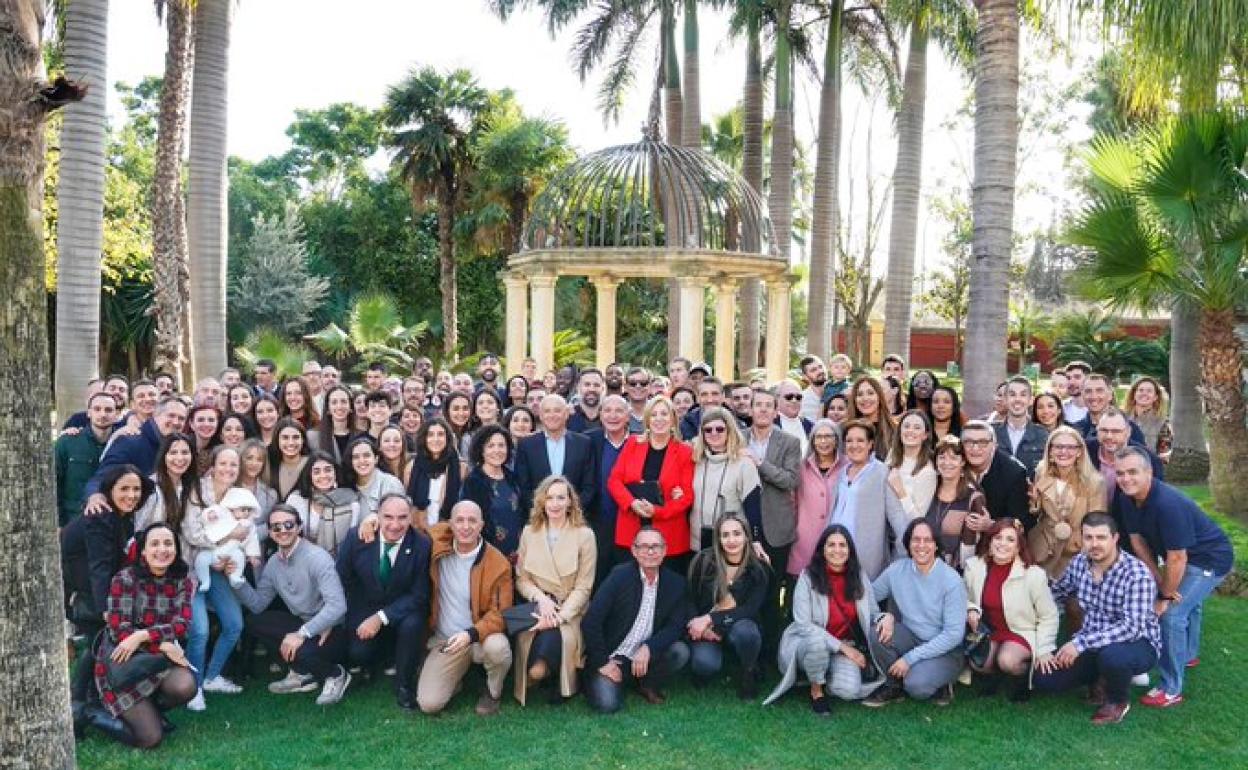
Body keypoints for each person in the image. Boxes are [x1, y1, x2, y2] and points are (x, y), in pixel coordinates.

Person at [1116, 447, 1232, 708]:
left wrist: (1165, 595)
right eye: (1121, 473)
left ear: (1149, 472)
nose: (1126, 479)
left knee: (1172, 615)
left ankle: (1170, 688)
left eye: (1133, 472)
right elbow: (1137, 540)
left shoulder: (1168, 504)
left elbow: (1178, 559)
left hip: (1209, 560)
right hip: (1182, 557)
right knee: (1190, 605)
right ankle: (1188, 654)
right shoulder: (1127, 497)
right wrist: (1158, 578)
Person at [1032, 513, 1162, 725]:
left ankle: (1117, 700)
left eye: (1101, 537)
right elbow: (1058, 592)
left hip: (1137, 643)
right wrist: (1031, 589)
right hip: (1092, 641)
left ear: (1115, 538)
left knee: (1113, 657)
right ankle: (1098, 678)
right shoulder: (1079, 563)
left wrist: (1079, 643)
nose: (1094, 544)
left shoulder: (1137, 574)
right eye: (1088, 537)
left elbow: (1132, 628)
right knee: (1045, 679)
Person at [78, 523, 197, 748]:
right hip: (122, 664)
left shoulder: (182, 580)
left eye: (168, 543)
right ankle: (92, 712)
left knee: (185, 686)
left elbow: (182, 625)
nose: (162, 549)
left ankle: (150, 710)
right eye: (155, 544)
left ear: (176, 549)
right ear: (143, 550)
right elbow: (118, 629)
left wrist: (142, 635)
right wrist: (162, 644)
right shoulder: (125, 579)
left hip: (154, 660)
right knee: (150, 739)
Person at [232, 504, 353, 706]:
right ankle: (302, 674)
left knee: (303, 651)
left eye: (288, 524)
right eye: (276, 527)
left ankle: (336, 675)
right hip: (305, 624)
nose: (283, 530)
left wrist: (302, 633)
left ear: (299, 527)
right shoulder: (273, 563)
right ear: (270, 532)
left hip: (334, 628)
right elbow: (258, 605)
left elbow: (338, 606)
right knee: (254, 622)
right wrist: (235, 579)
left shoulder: (317, 557)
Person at [764, 525, 885, 714]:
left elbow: (873, 614)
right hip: (808, 643)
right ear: (822, 549)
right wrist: (845, 649)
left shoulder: (859, 576)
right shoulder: (807, 577)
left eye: (842, 545)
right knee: (817, 643)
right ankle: (816, 691)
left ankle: (822, 673)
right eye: (831, 545)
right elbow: (804, 625)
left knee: (848, 690)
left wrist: (887, 618)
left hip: (842, 647)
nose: (837, 550)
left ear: (850, 550)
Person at [61, 465, 154, 708]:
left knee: (98, 643)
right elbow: (99, 566)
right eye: (124, 489)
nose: (131, 495)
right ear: (109, 491)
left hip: (92, 586)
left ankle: (90, 699)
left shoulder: (120, 515)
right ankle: (78, 703)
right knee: (97, 641)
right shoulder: (101, 516)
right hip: (80, 590)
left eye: (136, 489)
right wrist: (106, 608)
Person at [416, 501, 514, 716]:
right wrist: (371, 520)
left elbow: (500, 614)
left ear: (481, 525)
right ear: (449, 523)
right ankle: (456, 678)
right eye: (459, 520)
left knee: (498, 648)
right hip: (447, 640)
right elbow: (408, 526)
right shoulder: (437, 543)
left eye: (472, 521)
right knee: (429, 703)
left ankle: (493, 691)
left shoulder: (498, 563)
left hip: (480, 638)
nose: (465, 526)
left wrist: (470, 634)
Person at [335, 493, 431, 711]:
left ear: (411, 517)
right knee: (358, 653)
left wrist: (380, 617)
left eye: (402, 517)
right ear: (377, 516)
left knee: (413, 624)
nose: (395, 525)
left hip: (402, 608)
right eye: (388, 517)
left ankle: (404, 684)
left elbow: (419, 595)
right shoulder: (356, 538)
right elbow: (343, 576)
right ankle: (376, 659)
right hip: (366, 604)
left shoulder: (421, 545)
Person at [582, 529, 691, 714]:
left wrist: (649, 647)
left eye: (656, 547)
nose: (650, 552)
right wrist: (603, 663)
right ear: (634, 551)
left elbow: (675, 626)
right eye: (644, 547)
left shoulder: (676, 583)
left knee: (680, 652)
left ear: (665, 551)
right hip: (613, 656)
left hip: (646, 657)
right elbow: (591, 621)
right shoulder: (619, 576)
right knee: (607, 705)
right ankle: (605, 680)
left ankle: (646, 683)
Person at [512, 477, 597, 705]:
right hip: (537, 607)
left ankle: (547, 676)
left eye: (561, 497)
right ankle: (542, 675)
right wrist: (541, 600)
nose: (555, 503)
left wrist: (558, 617)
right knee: (529, 650)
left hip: (569, 610)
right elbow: (522, 578)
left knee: (538, 668)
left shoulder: (585, 535)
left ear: (571, 502)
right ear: (542, 501)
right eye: (550, 497)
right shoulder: (529, 532)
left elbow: (584, 586)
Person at [863, 519, 966, 707]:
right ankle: (893, 685)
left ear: (936, 545)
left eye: (927, 540)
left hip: (947, 651)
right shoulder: (896, 571)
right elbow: (866, 599)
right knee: (875, 633)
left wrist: (909, 659)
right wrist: (884, 616)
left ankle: (941, 682)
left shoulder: (951, 581)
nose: (921, 545)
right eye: (916, 539)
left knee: (916, 686)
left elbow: (953, 635)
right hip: (912, 638)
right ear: (908, 544)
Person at [180, 446, 248, 707]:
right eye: (224, 463)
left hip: (217, 568)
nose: (229, 469)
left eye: (234, 465)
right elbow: (192, 533)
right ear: (213, 465)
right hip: (191, 568)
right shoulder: (198, 491)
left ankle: (212, 676)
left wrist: (230, 557)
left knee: (234, 624)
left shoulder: (236, 496)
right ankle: (193, 688)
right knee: (200, 630)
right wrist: (229, 537)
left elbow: (246, 531)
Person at [963, 518, 1059, 701]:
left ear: (1018, 548)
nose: (1002, 544)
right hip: (988, 631)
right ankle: (995, 675)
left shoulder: (1033, 575)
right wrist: (971, 609)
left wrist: (1044, 649)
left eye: (1010, 539)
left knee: (1007, 660)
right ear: (990, 542)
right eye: (998, 537)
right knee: (979, 664)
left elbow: (1049, 616)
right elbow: (962, 598)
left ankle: (1024, 677)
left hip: (1020, 631)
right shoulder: (974, 567)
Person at [684, 513, 768, 698]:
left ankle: (748, 671)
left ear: (747, 536)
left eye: (737, 534)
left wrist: (709, 618)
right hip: (707, 629)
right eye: (725, 535)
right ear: (718, 539)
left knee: (748, 632)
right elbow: (688, 598)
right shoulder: (703, 561)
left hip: (738, 623)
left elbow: (749, 610)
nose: (732, 540)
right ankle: (706, 668)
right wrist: (700, 626)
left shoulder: (758, 568)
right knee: (705, 664)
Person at [742, 388, 801, 647]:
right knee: (745, 589)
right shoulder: (738, 438)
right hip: (743, 524)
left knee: (772, 588)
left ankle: (772, 648)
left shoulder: (789, 442)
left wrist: (759, 464)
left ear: (776, 411)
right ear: (750, 410)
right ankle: (748, 647)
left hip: (777, 527)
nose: (763, 409)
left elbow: (791, 480)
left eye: (769, 405)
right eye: (758, 405)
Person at [608, 395, 696, 568]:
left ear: (673, 419)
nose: (659, 419)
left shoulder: (685, 451)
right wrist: (631, 503)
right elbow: (614, 481)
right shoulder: (633, 443)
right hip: (631, 528)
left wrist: (656, 511)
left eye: (664, 414)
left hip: (669, 533)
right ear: (647, 420)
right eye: (654, 415)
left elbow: (687, 496)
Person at [829, 420, 909, 580]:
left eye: (860, 440)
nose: (854, 445)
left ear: (870, 444)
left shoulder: (882, 473)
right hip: (835, 553)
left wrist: (900, 560)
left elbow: (898, 519)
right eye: (849, 441)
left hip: (865, 558)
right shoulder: (841, 473)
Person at [83, 396, 188, 515]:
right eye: (171, 416)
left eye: (181, 418)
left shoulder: (180, 447)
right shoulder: (131, 442)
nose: (176, 422)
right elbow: (104, 475)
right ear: (156, 415)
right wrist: (95, 495)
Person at [1028, 427, 1106, 580]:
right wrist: (1035, 503)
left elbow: (1097, 524)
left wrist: (1091, 560)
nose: (1064, 452)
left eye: (1071, 447)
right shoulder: (1040, 473)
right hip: (1044, 549)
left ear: (1079, 452)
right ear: (1050, 451)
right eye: (1058, 446)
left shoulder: (1095, 482)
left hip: (1076, 553)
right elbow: (1036, 512)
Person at [687, 406, 762, 561]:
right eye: (708, 430)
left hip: (730, 543)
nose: (714, 433)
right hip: (696, 543)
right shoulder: (695, 460)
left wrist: (756, 541)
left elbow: (753, 507)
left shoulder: (744, 463)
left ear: (730, 430)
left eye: (720, 429)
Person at [514, 394, 597, 516]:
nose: (552, 415)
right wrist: (541, 512)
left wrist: (571, 512)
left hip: (575, 519)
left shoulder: (583, 443)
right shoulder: (526, 445)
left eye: (557, 410)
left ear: (566, 414)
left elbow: (589, 486)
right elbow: (523, 486)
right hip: (538, 519)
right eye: (547, 411)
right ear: (541, 416)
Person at [790, 419, 845, 577]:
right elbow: (793, 503)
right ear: (812, 441)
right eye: (818, 437)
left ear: (837, 440)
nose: (823, 441)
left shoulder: (847, 466)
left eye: (829, 436)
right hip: (804, 541)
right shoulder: (801, 468)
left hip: (837, 541)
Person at [587, 395, 633, 580]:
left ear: (628, 416)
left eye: (619, 411)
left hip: (631, 522)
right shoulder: (589, 440)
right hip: (598, 523)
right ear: (600, 414)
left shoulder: (639, 442)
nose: (613, 416)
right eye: (607, 410)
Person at [460, 424, 523, 558]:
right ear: (481, 450)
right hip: (487, 557)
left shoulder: (514, 478)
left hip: (518, 555)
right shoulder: (473, 482)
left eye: (501, 445)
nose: (497, 450)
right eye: (490, 446)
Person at [56, 391, 118, 526]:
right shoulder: (67, 443)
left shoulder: (122, 444)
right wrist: (59, 523)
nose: (103, 414)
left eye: (108, 410)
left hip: (114, 522)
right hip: (74, 521)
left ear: (116, 415)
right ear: (89, 413)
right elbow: (55, 484)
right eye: (97, 409)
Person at [925, 435, 986, 571]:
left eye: (953, 458)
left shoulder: (974, 498)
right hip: (925, 566)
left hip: (959, 572)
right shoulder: (928, 491)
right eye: (942, 457)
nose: (947, 463)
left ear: (963, 462)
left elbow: (972, 544)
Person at [286, 451, 362, 557]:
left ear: (335, 473)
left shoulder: (351, 502)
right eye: (316, 472)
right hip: (303, 561)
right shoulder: (297, 500)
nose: (323, 476)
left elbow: (352, 542)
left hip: (341, 562)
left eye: (328, 470)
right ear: (309, 475)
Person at [961, 420, 1032, 530]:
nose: (975, 448)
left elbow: (1021, 522)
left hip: (997, 540)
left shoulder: (1014, 473)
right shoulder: (955, 465)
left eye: (983, 442)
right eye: (969, 442)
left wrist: (991, 525)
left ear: (994, 445)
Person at [407, 418, 462, 531]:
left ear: (447, 438)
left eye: (440, 434)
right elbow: (409, 502)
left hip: (449, 530)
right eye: (430, 435)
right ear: (424, 438)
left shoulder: (461, 468)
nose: (435, 439)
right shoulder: (412, 466)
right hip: (420, 529)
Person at [885, 409, 939, 523]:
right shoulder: (891, 456)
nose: (910, 431)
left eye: (917, 427)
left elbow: (918, 519)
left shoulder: (927, 472)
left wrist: (900, 491)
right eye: (906, 426)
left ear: (925, 435)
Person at [994, 376, 1049, 475]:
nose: (1017, 399)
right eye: (1012, 395)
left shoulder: (1044, 435)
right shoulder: (991, 432)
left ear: (1031, 400)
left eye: (1023, 395)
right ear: (1005, 399)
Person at [1073, 374, 1146, 444]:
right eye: (1088, 391)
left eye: (1099, 391)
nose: (1094, 396)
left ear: (1110, 395)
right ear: (1082, 396)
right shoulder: (1076, 430)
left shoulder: (1129, 428)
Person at [344, 436, 405, 517]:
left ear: (376, 459)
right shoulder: (348, 487)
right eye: (356, 457)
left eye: (366, 455)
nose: (361, 461)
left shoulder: (391, 484)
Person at [1124, 376, 1173, 461]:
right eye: (1141, 390)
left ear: (1155, 397)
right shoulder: (1121, 417)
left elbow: (1165, 455)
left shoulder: (1163, 422)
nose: (1144, 393)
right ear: (1134, 394)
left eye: (1149, 391)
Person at [268, 418, 310, 501]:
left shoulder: (312, 464)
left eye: (296, 437)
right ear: (277, 440)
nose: (290, 443)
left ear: (303, 440)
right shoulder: (270, 464)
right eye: (285, 438)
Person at [773, 379, 813, 455]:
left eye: (798, 397)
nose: (794, 401)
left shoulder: (810, 426)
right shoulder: (769, 425)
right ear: (777, 400)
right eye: (789, 397)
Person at [679, 376, 725, 440]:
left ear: (723, 397)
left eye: (715, 394)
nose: (710, 400)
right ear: (698, 398)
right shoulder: (687, 423)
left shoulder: (735, 421)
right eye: (704, 394)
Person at [567, 368, 606, 434]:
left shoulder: (610, 416)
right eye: (587, 384)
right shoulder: (567, 416)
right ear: (578, 387)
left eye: (596, 385)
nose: (591, 389)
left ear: (602, 388)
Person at [186, 404, 221, 475]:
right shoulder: (182, 446)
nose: (206, 424)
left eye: (211, 420)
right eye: (200, 420)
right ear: (191, 424)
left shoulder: (220, 451)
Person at [377, 424, 414, 489]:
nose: (392, 444)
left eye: (396, 441)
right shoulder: (375, 469)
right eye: (386, 441)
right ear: (379, 446)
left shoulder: (414, 464)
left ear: (403, 445)